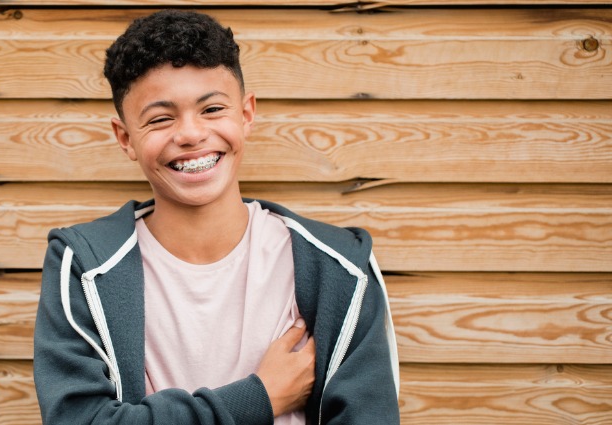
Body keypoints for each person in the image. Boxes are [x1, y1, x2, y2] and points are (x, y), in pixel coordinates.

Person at [34, 9, 400, 425]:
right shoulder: (84, 267)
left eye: (211, 109)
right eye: (160, 118)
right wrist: (258, 398)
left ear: (246, 115)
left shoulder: (337, 268)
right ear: (125, 138)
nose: (190, 134)